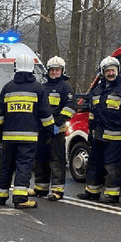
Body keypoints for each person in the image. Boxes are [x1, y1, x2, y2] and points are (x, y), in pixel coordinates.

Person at [77, 56, 121, 204]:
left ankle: (112, 194)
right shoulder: (98, 90)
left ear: (118, 71)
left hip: (116, 137)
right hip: (98, 135)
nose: (111, 73)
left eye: (113, 70)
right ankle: (92, 191)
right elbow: (92, 113)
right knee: (94, 164)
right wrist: (90, 132)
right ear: (103, 72)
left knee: (112, 166)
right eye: (108, 71)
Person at [0, 53, 54, 209]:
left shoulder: (7, 88)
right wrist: (48, 134)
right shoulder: (38, 89)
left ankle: (1, 196)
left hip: (8, 137)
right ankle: (20, 199)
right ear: (32, 69)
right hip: (29, 138)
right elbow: (45, 115)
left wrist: (1, 134)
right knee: (24, 166)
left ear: (16, 67)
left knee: (6, 165)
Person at [33, 56, 76, 201]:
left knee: (56, 160)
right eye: (52, 70)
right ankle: (41, 187)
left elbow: (70, 107)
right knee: (41, 159)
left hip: (58, 130)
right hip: (42, 130)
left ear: (62, 71)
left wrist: (58, 123)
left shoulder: (66, 87)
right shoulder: (42, 87)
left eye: (57, 70)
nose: (54, 72)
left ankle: (57, 190)